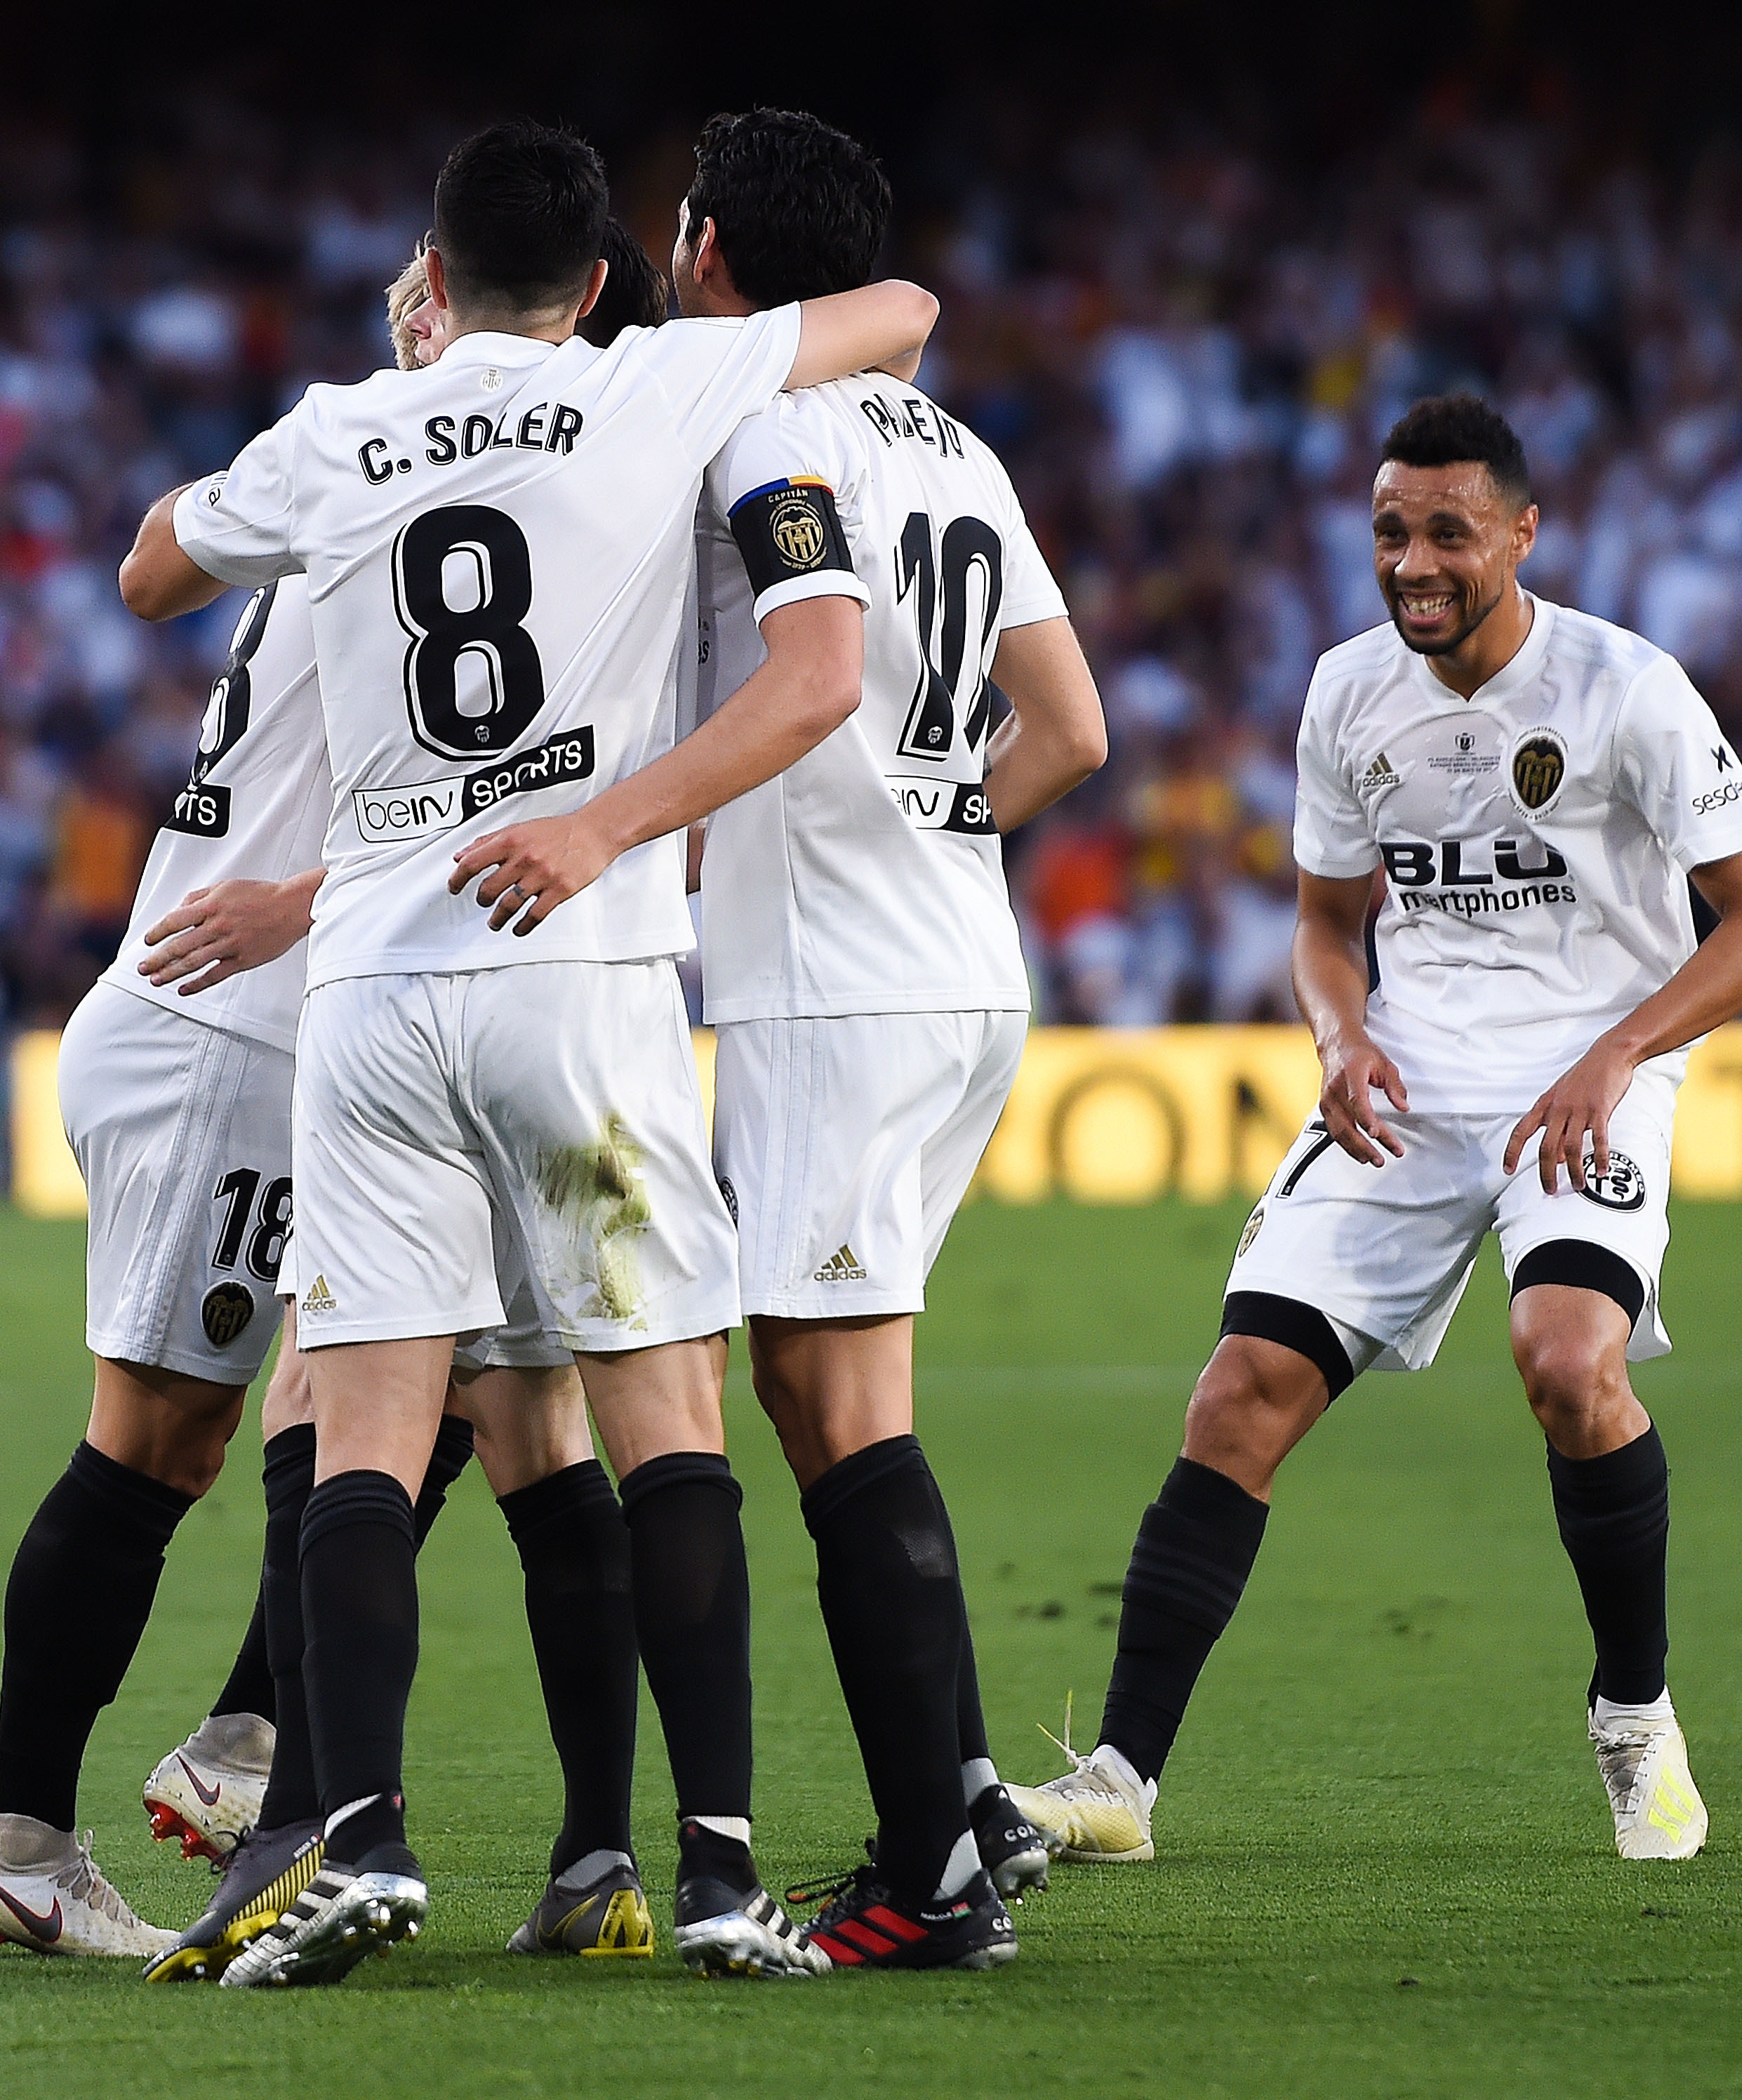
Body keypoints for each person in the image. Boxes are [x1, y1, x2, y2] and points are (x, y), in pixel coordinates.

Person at [116, 117, 939, 1984]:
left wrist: (383, 402)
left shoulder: (341, 429)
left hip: (376, 988)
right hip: (580, 957)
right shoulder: (653, 380)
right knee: (661, 1409)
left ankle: (364, 1836)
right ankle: (718, 1867)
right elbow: (902, 308)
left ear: (432, 271)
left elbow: (150, 571)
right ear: (590, 280)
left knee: (365, 1422)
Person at [0, 231, 664, 1967]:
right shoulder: (389, 480)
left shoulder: (357, 474)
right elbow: (417, 782)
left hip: (318, 1007)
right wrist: (310, 893)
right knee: (163, 1437)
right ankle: (27, 1833)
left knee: (421, 1384)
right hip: (235, 1013)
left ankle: (256, 1746)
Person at [1011, 394, 1742, 1868]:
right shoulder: (1345, 694)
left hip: (1592, 1068)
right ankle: (1119, 1778)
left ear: (1522, 532)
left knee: (1570, 1362)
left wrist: (1620, 1048)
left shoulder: (1627, 689)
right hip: (1412, 1079)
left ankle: (1634, 1714)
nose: (1415, 560)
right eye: (1391, 530)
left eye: (1449, 530)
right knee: (1240, 1388)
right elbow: (1325, 925)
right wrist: (1340, 1033)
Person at [672, 108, 1108, 1972]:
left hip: (834, 982)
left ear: (710, 251)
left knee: (831, 1407)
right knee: (836, 1391)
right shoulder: (960, 443)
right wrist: (933, 828)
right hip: (960, 964)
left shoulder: (761, 429)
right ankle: (971, 1783)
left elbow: (810, 669)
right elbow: (1071, 730)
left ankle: (932, 1872)